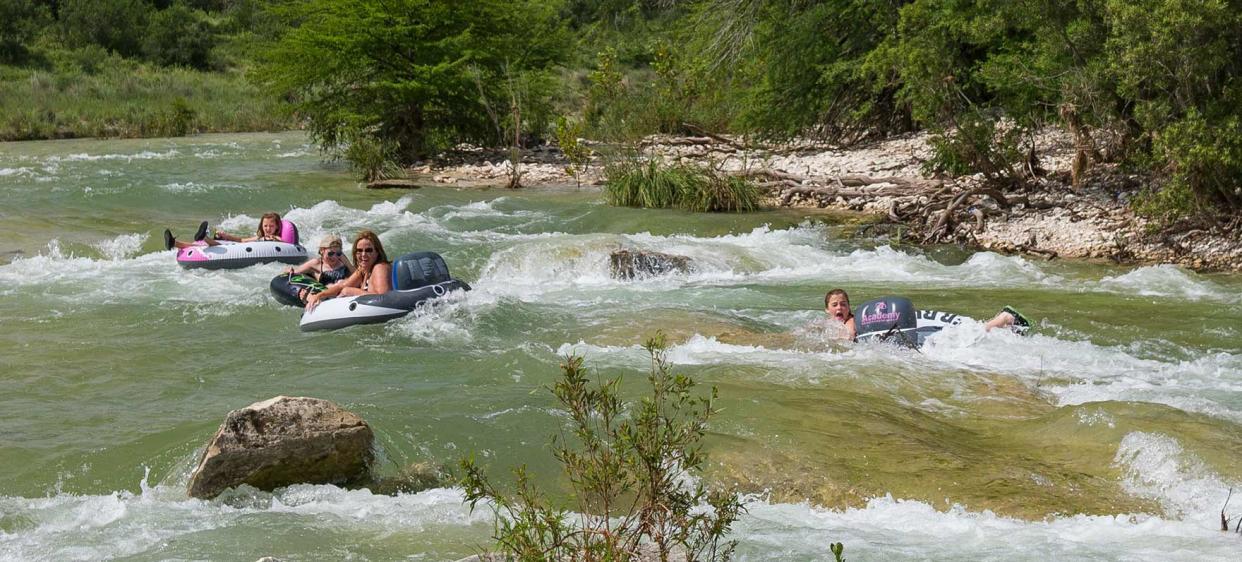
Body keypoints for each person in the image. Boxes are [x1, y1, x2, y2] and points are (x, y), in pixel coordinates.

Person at [305, 230, 392, 311]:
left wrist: (351, 291)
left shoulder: (380, 267)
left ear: (377, 252)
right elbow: (342, 286)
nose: (363, 254)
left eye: (368, 250)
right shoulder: (363, 270)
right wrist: (318, 296)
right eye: (359, 251)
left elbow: (384, 299)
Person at [284, 234, 354, 302]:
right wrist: (288, 269)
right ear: (322, 250)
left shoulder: (343, 260)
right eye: (330, 253)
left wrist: (347, 262)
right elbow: (294, 271)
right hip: (329, 298)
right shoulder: (316, 263)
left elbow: (357, 275)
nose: (334, 257)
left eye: (338, 253)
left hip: (346, 295)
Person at [164, 212, 284, 250]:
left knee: (215, 246)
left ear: (277, 227)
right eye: (265, 226)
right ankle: (174, 243)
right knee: (202, 246)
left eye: (271, 226)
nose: (268, 229)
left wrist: (274, 238)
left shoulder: (276, 239)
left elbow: (282, 241)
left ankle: (204, 237)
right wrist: (226, 236)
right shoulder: (259, 237)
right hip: (241, 248)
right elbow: (242, 240)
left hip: (245, 251)